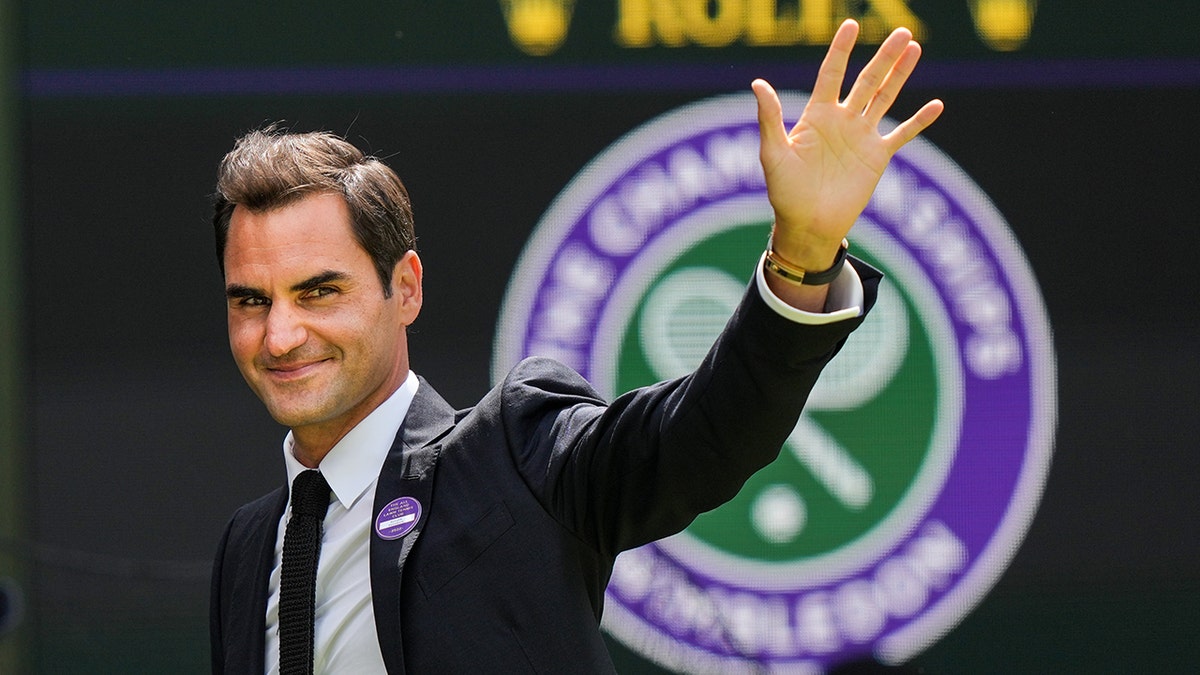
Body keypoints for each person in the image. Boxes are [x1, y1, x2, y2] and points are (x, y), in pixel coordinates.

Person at [209, 19, 943, 674]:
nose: (280, 334)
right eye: (252, 300)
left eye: (318, 291)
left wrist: (802, 252)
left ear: (405, 287)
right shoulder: (249, 549)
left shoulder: (513, 453)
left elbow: (703, 432)